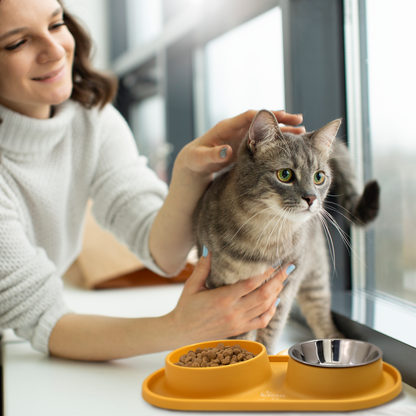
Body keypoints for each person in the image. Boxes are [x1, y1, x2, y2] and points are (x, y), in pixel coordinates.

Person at [0, 0, 305, 361]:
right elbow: (44, 320)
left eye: (56, 24)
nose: (54, 51)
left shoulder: (91, 120)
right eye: (17, 43)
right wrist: (180, 327)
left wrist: (189, 173)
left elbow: (162, 252)